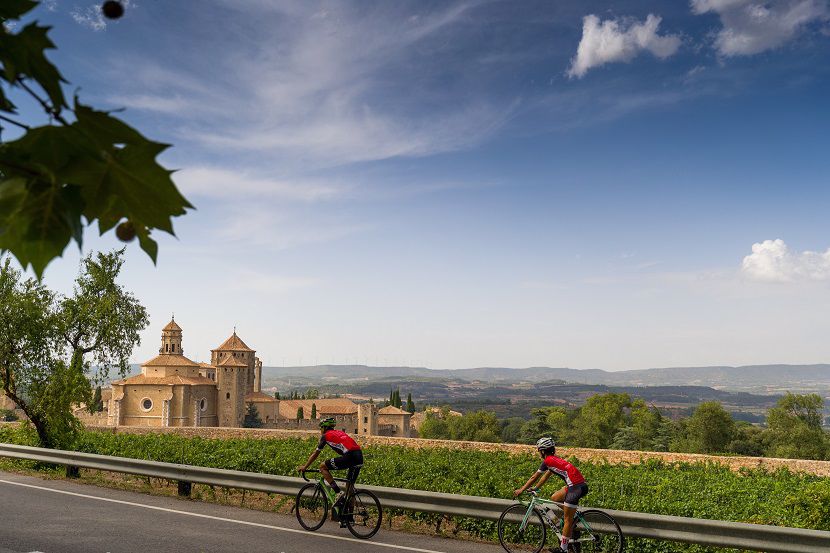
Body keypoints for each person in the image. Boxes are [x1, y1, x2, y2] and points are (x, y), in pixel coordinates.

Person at [513, 437, 588, 553]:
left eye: (539, 451)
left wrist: (521, 490)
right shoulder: (554, 460)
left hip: (575, 487)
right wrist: (536, 488)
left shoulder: (547, 461)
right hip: (578, 485)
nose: (539, 453)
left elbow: (534, 477)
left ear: (543, 451)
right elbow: (546, 475)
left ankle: (563, 549)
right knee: (555, 498)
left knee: (568, 519)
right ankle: (572, 514)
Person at [297, 417, 364, 524]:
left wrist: (305, 466)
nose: (320, 431)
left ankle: (338, 492)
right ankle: (350, 518)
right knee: (349, 487)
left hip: (350, 456)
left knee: (322, 466)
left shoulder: (325, 436)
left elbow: (316, 453)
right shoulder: (339, 432)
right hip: (359, 456)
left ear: (324, 428)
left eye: (321, 428)